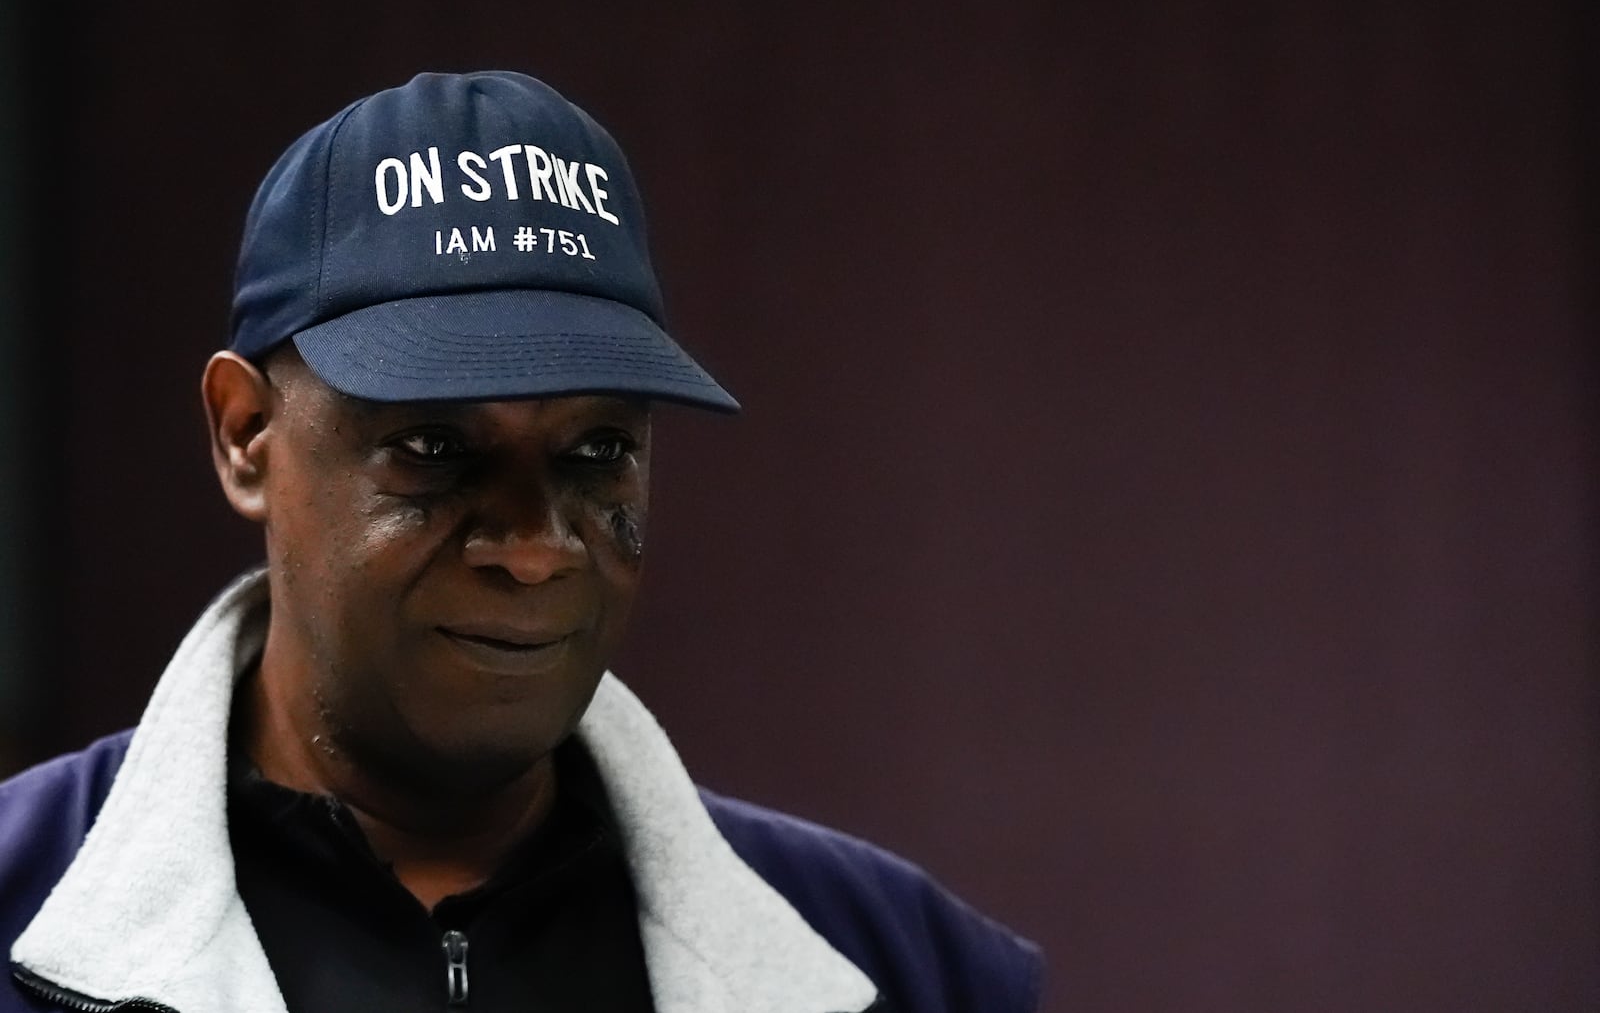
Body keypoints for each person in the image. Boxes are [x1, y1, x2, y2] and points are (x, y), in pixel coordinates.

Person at [0, 71, 1043, 1012]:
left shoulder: (908, 966)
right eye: (434, 445)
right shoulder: (21, 901)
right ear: (246, 435)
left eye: (596, 449)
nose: (537, 548)